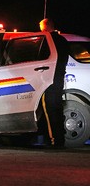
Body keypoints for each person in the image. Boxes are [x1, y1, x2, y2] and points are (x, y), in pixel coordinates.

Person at [39, 18, 69, 148]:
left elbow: (40, 57)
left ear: (45, 28)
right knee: (57, 107)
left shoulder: (46, 40)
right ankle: (60, 137)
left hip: (48, 78)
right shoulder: (63, 40)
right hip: (59, 77)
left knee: (50, 108)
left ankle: (55, 140)